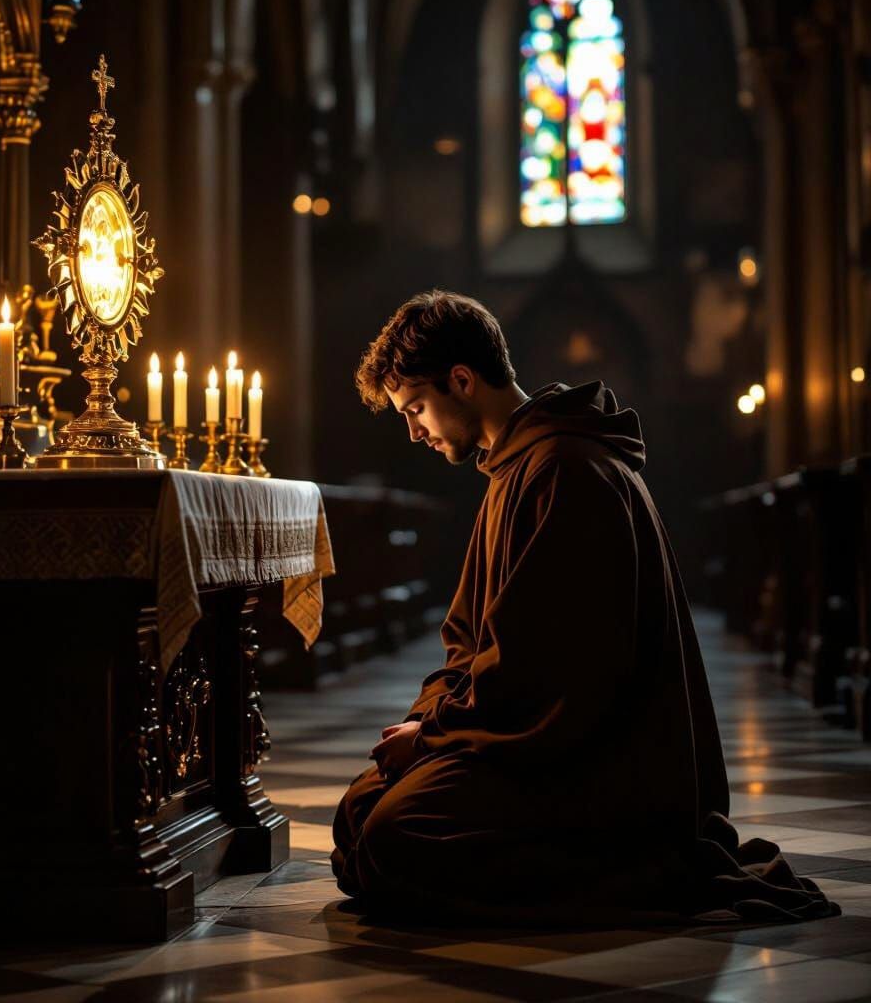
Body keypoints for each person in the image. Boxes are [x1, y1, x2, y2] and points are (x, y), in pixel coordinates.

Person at [331, 289, 840, 926]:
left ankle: (651, 868)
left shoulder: (565, 469)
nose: (414, 432)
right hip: (519, 729)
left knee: (393, 840)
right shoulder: (515, 468)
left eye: (416, 408)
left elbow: (547, 672)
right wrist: (427, 727)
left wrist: (433, 737)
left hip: (592, 763)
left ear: (461, 380)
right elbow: (469, 643)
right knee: (357, 821)